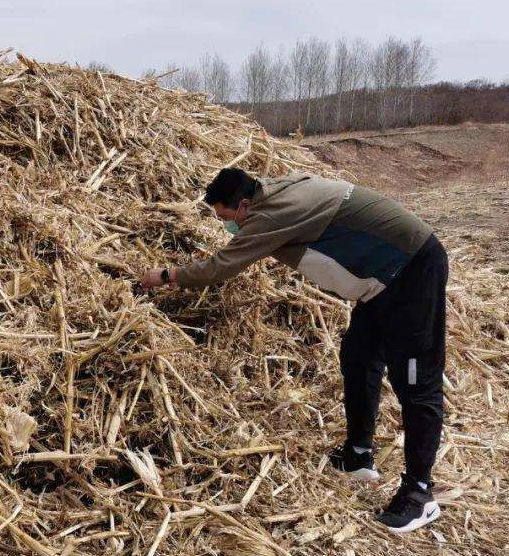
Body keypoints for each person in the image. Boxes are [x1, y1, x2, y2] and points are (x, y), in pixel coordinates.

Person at [141, 167, 448, 533]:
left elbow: (221, 267)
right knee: (358, 356)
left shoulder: (271, 215)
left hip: (412, 269)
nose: (227, 226)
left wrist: (167, 276)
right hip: (379, 282)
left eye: (225, 218)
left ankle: (419, 494)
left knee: (415, 381)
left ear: (243, 206)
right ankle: (358, 455)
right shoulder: (273, 193)